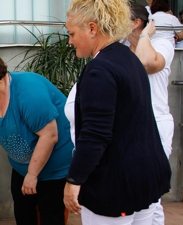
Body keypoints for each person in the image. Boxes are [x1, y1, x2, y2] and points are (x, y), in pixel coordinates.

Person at [63, 0, 171, 225]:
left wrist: (74, 180)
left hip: (116, 185)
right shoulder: (128, 58)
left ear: (92, 28)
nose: (70, 40)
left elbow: (95, 134)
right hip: (145, 177)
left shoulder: (100, 70)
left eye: (72, 33)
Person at [0, 46, 74, 224]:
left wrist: (32, 176)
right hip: (21, 168)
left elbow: (49, 136)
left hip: (53, 169)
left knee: (51, 216)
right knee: (23, 215)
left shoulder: (28, 91)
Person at [128, 3, 175, 224]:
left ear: (136, 23)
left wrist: (146, 35)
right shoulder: (122, 46)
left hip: (156, 122)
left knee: (150, 193)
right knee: (136, 190)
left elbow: (146, 62)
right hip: (131, 124)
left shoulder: (162, 43)